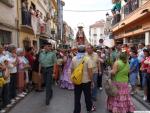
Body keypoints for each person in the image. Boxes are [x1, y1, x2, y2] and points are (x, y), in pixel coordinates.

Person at [71, 45, 94, 113]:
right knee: (87, 96)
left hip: (77, 81)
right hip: (86, 81)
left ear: (77, 51)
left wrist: (73, 79)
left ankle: (77, 111)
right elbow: (90, 71)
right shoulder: (87, 59)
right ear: (85, 51)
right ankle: (89, 109)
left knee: (77, 97)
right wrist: (92, 81)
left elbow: (72, 70)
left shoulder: (74, 59)